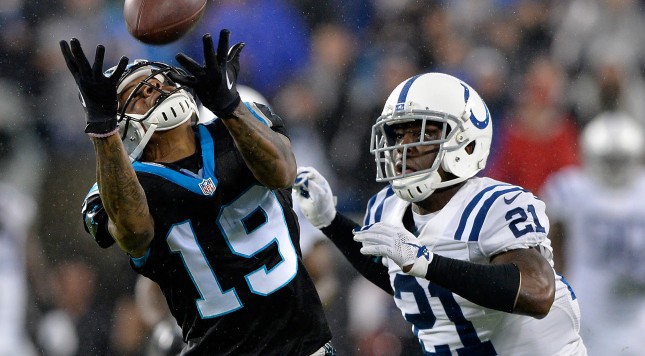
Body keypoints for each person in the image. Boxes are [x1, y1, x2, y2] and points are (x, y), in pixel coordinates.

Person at [60, 29, 333, 355]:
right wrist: (103, 131)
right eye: (140, 94)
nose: (157, 91)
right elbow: (134, 234)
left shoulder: (238, 130)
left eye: (158, 82)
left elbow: (282, 172)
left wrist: (230, 105)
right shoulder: (122, 189)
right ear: (121, 125)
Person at [293, 72, 587, 355]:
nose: (403, 148)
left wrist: (427, 263)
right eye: (398, 134)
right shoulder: (387, 207)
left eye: (423, 133)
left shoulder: (494, 204)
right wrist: (330, 221)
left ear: (467, 143)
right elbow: (402, 279)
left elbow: (537, 293)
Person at [541, 111, 645, 355]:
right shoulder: (571, 189)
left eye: (619, 160)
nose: (614, 168)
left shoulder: (571, 189)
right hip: (588, 300)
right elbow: (549, 248)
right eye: (609, 160)